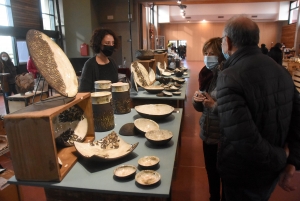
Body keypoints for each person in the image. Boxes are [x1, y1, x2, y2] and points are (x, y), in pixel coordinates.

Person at [218, 15, 300, 201]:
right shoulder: (281, 71)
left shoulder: (229, 77)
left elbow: (244, 139)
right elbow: (298, 119)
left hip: (243, 173)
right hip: (270, 173)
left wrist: (282, 157)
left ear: (228, 42)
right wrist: (292, 162)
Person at [193, 37, 226, 201]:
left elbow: (235, 111)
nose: (207, 57)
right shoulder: (206, 74)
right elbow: (200, 107)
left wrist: (214, 105)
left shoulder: (227, 76)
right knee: (211, 172)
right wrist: (196, 99)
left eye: (212, 53)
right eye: (205, 53)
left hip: (222, 136)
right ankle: (213, 197)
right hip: (207, 132)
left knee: (224, 175)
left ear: (221, 54)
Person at [79, 28, 119, 92]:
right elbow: (83, 91)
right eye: (107, 43)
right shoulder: (90, 64)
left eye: (113, 43)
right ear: (99, 44)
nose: (111, 45)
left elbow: (114, 84)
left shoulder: (112, 62)